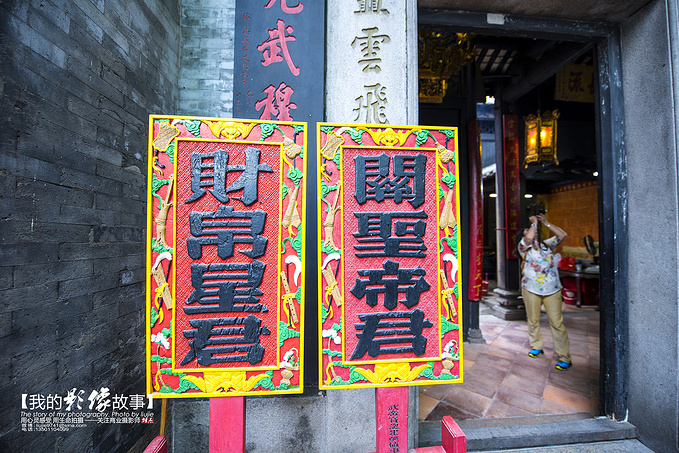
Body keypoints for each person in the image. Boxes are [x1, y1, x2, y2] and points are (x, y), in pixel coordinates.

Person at [515, 212, 572, 371]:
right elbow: (528, 239)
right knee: (533, 319)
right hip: (531, 288)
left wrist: (546, 222)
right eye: (527, 230)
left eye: (532, 229)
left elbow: (562, 235)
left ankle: (564, 356)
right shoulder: (523, 247)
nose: (531, 231)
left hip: (552, 289)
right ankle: (536, 346)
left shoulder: (547, 245)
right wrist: (533, 223)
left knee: (557, 322)